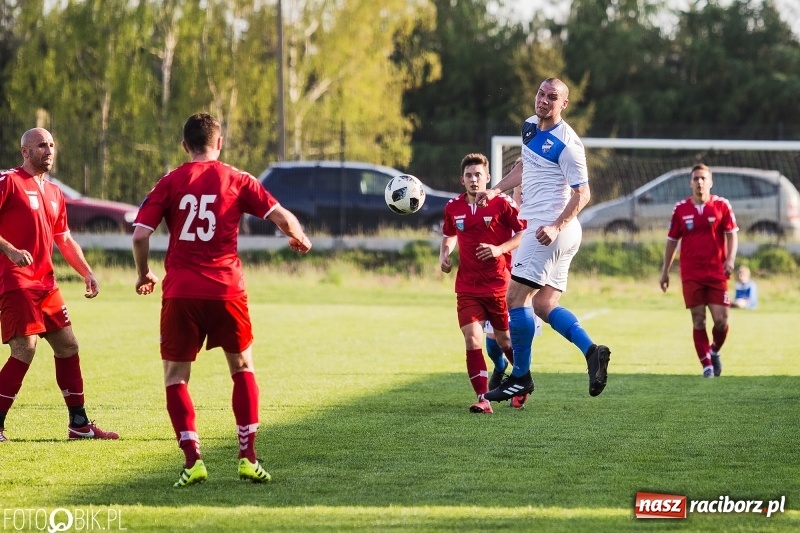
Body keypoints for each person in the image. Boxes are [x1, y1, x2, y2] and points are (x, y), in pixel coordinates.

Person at [132, 113, 312, 487]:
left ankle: (193, 460)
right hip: (227, 289)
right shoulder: (238, 179)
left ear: (185, 146)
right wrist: (298, 237)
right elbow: (281, 216)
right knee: (243, 367)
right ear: (220, 141)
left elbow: (139, 234)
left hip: (181, 291)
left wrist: (143, 272)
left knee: (176, 376)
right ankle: (247, 458)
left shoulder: (170, 181)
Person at [475, 78, 611, 404]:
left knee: (515, 299)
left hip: (549, 230)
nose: (544, 101)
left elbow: (584, 193)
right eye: (541, 94)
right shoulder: (529, 127)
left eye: (553, 97)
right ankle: (592, 351)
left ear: (564, 104)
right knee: (543, 304)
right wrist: (497, 189)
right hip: (554, 231)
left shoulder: (568, 143)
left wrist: (555, 225)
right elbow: (524, 165)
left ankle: (520, 376)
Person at [0, 128, 119, 443]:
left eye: (52, 144)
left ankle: (79, 425)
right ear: (25, 151)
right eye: (41, 145)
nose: (48, 150)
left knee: (68, 346)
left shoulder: (54, 192)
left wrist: (86, 271)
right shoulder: (9, 181)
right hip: (16, 280)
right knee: (25, 348)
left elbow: (63, 238)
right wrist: (9, 249)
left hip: (46, 285)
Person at [440, 153, 526, 413]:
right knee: (472, 339)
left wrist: (499, 249)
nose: (474, 179)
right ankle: (483, 398)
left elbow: (523, 233)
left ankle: (522, 382)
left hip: (499, 285)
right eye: (469, 175)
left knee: (504, 343)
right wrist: (444, 254)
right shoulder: (453, 207)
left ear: (488, 178)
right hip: (467, 287)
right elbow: (449, 234)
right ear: (462, 179)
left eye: (478, 175)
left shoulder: (503, 203)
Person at [660, 163, 738, 378]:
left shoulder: (722, 206)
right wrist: (665, 271)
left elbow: (732, 234)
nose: (700, 182)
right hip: (691, 273)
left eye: (703, 178)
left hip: (716, 272)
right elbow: (672, 241)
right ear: (690, 183)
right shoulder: (681, 209)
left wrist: (730, 258)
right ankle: (706, 366)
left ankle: (713, 351)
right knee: (698, 320)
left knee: (721, 320)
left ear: (710, 182)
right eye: (696, 178)